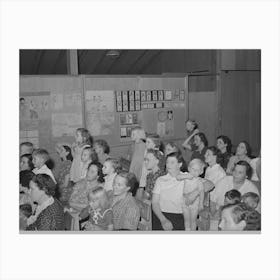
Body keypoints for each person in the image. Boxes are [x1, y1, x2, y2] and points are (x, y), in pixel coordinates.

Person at [152, 152, 192, 230]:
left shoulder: (186, 177)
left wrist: (195, 191)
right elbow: (154, 202)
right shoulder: (160, 180)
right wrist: (163, 220)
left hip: (180, 215)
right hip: (161, 214)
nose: (168, 165)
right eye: (167, 162)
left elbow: (209, 184)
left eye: (172, 162)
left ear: (180, 164)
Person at [182, 159, 205, 231]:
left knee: (193, 220)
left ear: (201, 172)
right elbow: (177, 177)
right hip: (184, 201)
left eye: (197, 170)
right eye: (193, 169)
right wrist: (186, 176)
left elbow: (202, 192)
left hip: (195, 203)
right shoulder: (185, 176)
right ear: (189, 168)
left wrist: (201, 203)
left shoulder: (199, 181)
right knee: (186, 220)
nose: (194, 172)